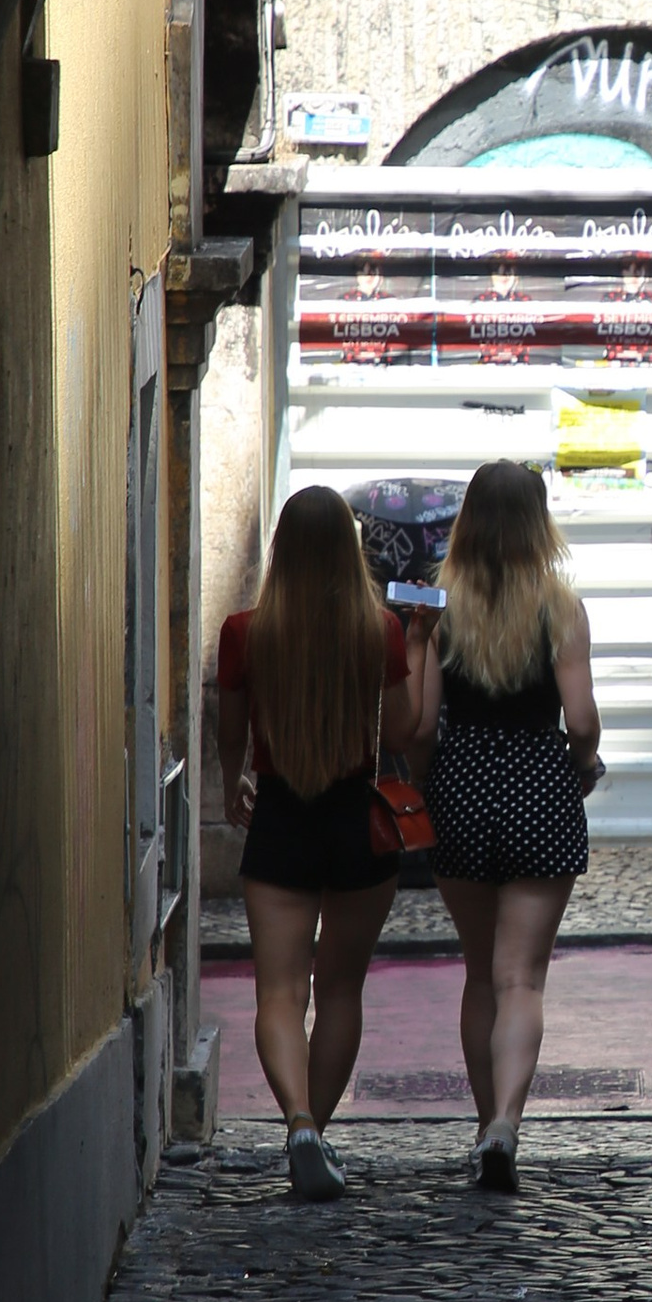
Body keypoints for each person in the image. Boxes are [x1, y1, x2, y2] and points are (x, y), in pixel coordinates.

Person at [217, 484, 423, 1201]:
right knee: (340, 989)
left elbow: (231, 729)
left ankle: (298, 1122)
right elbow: (400, 733)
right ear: (349, 548)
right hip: (354, 822)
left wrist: (228, 782)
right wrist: (419, 649)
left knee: (278, 989)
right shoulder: (381, 632)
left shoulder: (246, 632)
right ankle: (318, 1136)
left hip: (278, 816)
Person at [399, 460, 600, 1194]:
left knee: (479, 970)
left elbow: (420, 729)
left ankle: (483, 1121)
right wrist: (581, 764)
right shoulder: (561, 607)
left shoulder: (441, 608)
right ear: (537, 521)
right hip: (541, 789)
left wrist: (425, 787)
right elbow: (580, 722)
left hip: (461, 788)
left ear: (470, 522)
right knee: (523, 978)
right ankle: (506, 1126)